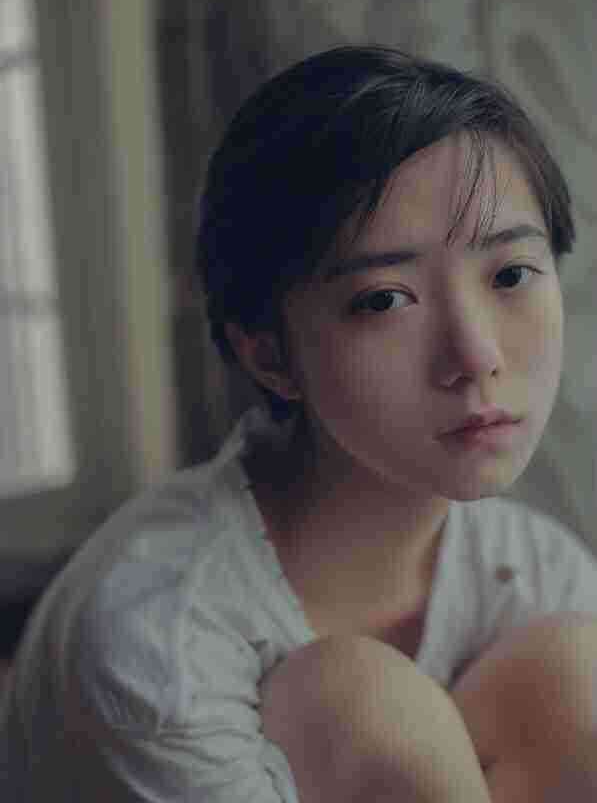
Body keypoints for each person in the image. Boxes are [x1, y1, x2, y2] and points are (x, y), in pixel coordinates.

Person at [2, 43, 597, 801]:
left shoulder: (536, 571)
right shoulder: (156, 638)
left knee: (572, 678)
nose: (476, 356)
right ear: (269, 353)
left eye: (510, 274)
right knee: (357, 705)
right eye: (383, 299)